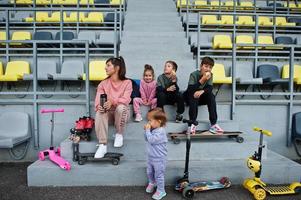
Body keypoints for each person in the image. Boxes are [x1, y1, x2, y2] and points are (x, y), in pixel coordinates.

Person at [94, 56, 132, 158]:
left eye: (108, 65)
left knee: (121, 107)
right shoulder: (103, 84)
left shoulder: (127, 83)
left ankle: (119, 134)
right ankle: (102, 145)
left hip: (122, 114)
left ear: (117, 68)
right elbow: (98, 100)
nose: (105, 68)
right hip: (109, 115)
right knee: (99, 111)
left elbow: (126, 100)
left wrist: (112, 101)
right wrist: (100, 106)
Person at [184, 57, 224, 134]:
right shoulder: (193, 74)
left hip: (200, 97)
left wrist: (202, 91)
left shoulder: (210, 75)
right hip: (189, 97)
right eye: (206, 66)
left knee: (211, 96)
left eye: (210, 67)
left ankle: (213, 124)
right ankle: (192, 123)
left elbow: (209, 88)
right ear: (201, 66)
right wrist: (202, 80)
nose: (208, 69)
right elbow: (190, 89)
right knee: (194, 95)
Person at [144, 108, 168, 200]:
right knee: (149, 172)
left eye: (150, 120)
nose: (149, 123)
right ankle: (152, 183)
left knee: (159, 175)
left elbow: (151, 140)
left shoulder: (161, 131)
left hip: (159, 158)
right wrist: (146, 131)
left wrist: (147, 131)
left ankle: (161, 190)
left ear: (159, 121)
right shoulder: (153, 129)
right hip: (151, 157)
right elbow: (146, 139)